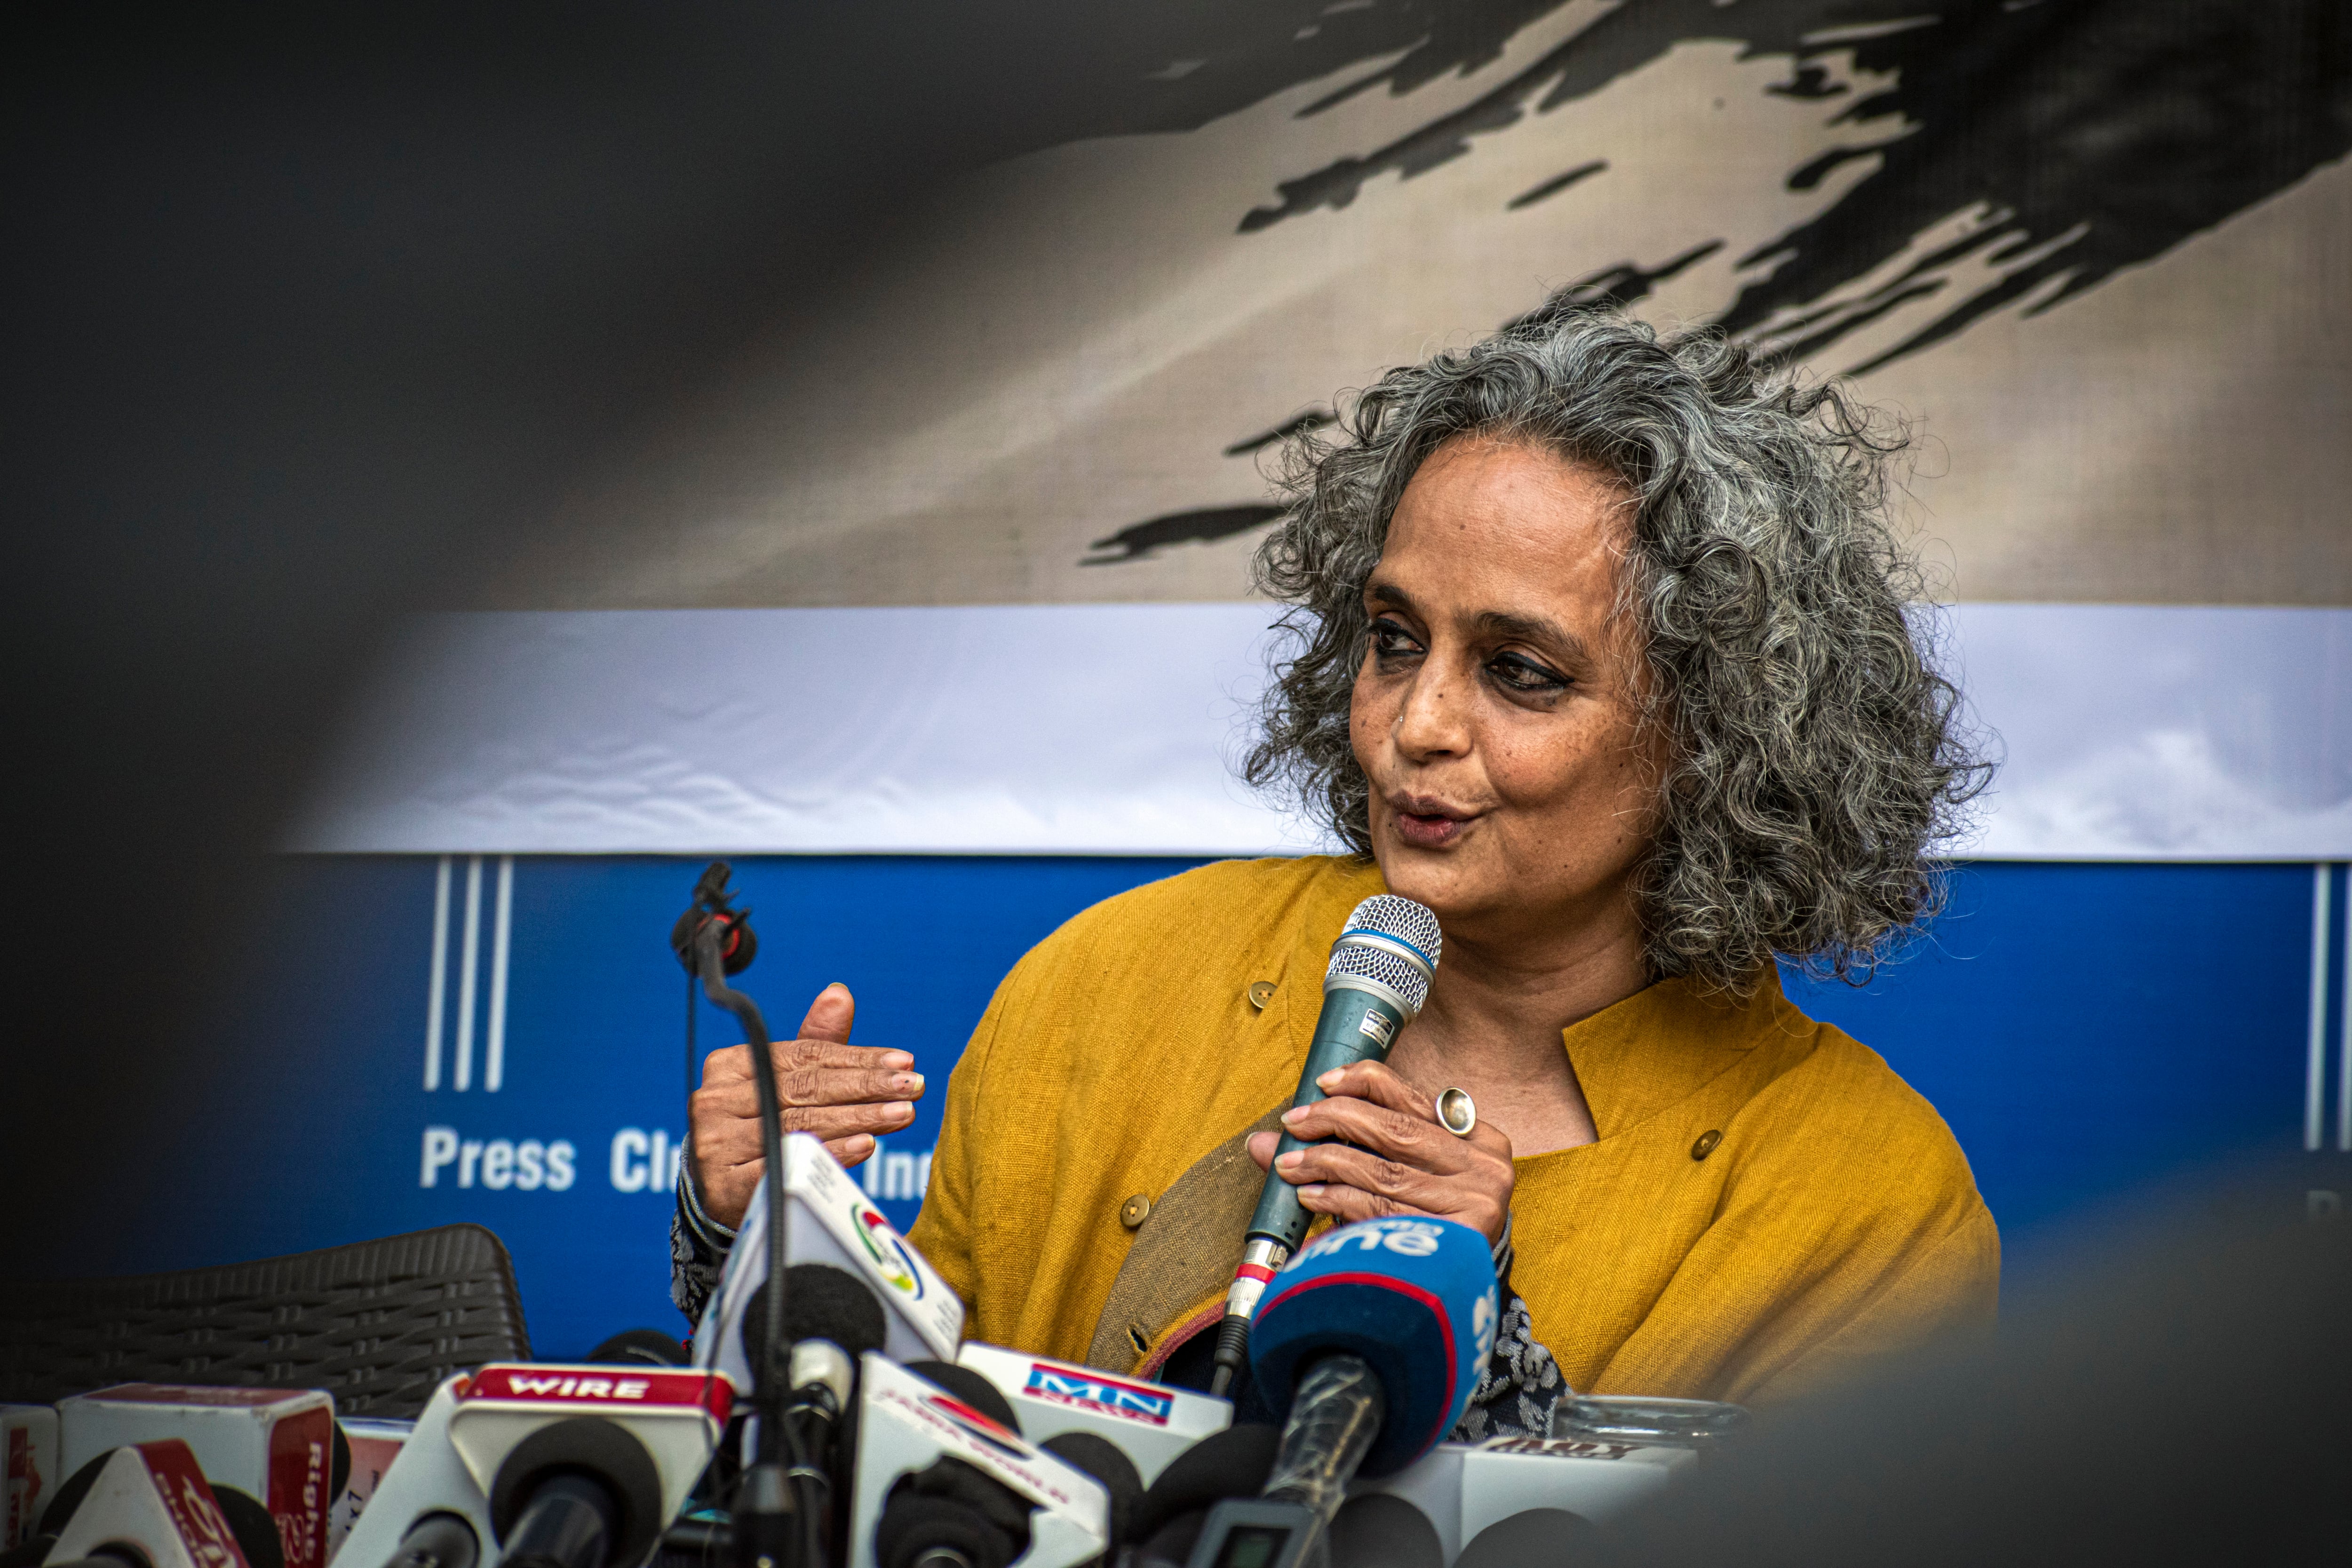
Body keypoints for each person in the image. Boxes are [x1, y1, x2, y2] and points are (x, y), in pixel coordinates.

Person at [671, 302, 1997, 1433]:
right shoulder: (1114, 979)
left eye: (1519, 673)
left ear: (1718, 733)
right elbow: (897, 1459)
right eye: (1393, 638)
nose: (1415, 724)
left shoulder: (1868, 1198)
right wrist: (761, 1242)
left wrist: (1489, 1360)